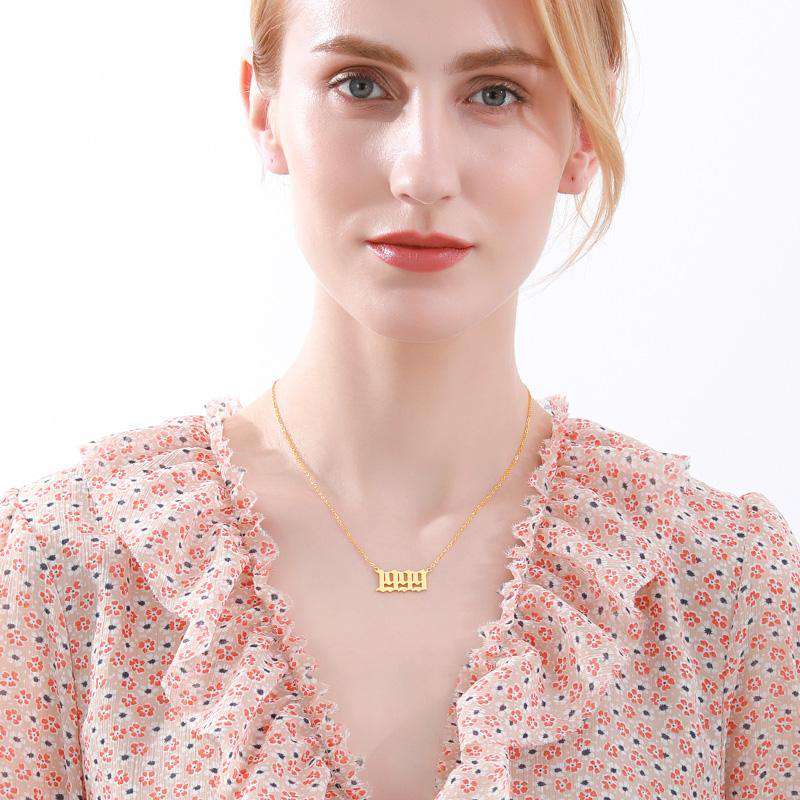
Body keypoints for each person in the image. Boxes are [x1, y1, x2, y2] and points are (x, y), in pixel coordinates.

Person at [1, 0, 798, 798]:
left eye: (495, 93)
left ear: (583, 133)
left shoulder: (725, 584)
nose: (422, 174)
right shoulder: (64, 566)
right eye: (361, 84)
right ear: (265, 111)